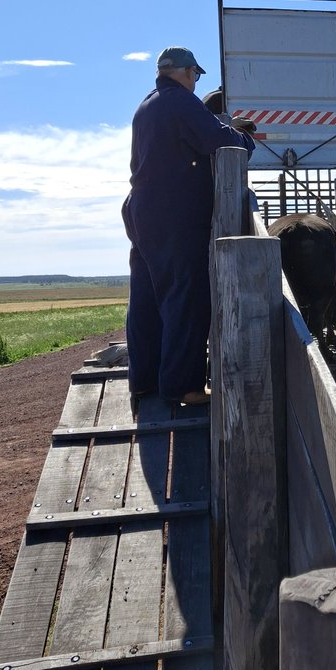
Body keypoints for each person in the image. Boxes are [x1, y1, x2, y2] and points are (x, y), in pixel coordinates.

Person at [122, 47, 256, 405]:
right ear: (184, 72)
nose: (196, 82)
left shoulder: (147, 104)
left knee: (148, 295)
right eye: (196, 75)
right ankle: (185, 387)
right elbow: (220, 140)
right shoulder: (180, 102)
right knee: (186, 294)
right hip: (173, 212)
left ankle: (144, 379)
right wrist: (246, 138)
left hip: (142, 207)